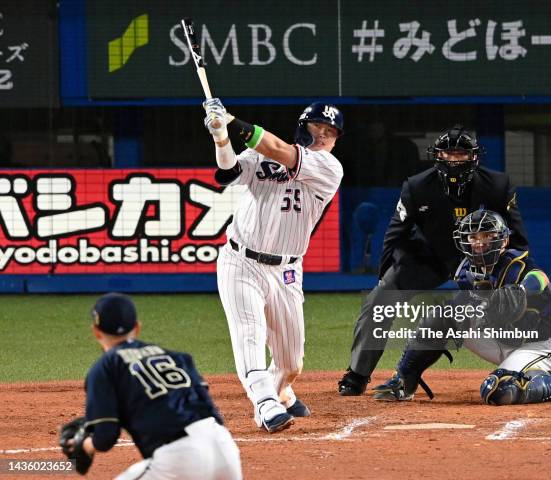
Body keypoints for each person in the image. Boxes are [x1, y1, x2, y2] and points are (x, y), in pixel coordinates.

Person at [338, 125, 529, 396]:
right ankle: (357, 374)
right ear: (437, 157)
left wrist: (512, 278)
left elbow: (518, 239)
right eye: (448, 154)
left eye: (460, 155)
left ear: (474, 157)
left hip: (481, 261)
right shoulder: (416, 186)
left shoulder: (498, 185)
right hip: (430, 259)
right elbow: (395, 234)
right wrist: (384, 276)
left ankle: (529, 358)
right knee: (380, 299)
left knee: (509, 301)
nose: (454, 160)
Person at [203, 99, 344, 432]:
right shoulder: (260, 156)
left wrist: (233, 120)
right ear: (302, 126)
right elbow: (228, 173)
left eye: (331, 132)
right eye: (317, 127)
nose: (323, 136)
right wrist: (221, 137)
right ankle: (265, 404)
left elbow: (280, 149)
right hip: (240, 261)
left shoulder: (328, 167)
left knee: (291, 362)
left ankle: (279, 391)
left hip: (287, 271)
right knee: (249, 334)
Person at [373, 209, 551, 405]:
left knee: (498, 390)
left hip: (541, 344)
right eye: (473, 237)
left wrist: (521, 292)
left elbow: (539, 279)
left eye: (487, 236)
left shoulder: (518, 266)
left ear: (503, 241)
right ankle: (404, 379)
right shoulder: (465, 273)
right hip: (502, 338)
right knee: (442, 315)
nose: (479, 243)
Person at [58, 293, 242, 479]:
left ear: (96, 331)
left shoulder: (105, 367)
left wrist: (84, 445)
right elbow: (209, 409)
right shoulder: (177, 358)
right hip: (224, 448)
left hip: (179, 459)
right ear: (137, 328)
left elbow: (106, 437)